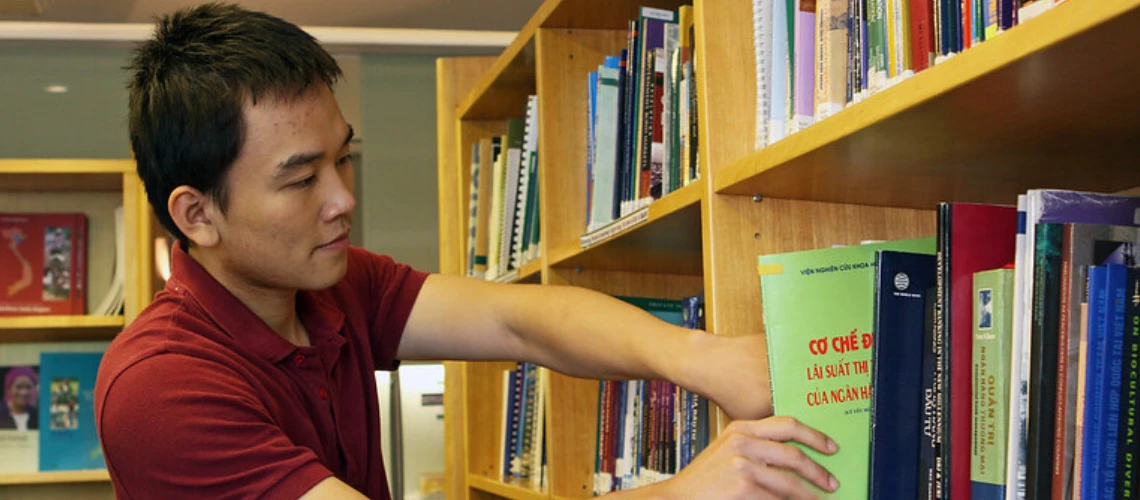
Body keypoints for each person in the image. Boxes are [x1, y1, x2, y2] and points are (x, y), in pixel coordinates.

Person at [94, 3, 841, 499]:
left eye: (343, 158)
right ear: (197, 215)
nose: (344, 199)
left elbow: (519, 320)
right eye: (299, 180)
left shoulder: (333, 285)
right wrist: (679, 492)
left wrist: (699, 357)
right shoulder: (161, 391)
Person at [0, 366, 38, 431]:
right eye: (18, 387)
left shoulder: (37, 415)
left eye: (28, 387)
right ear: (9, 389)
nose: (24, 393)